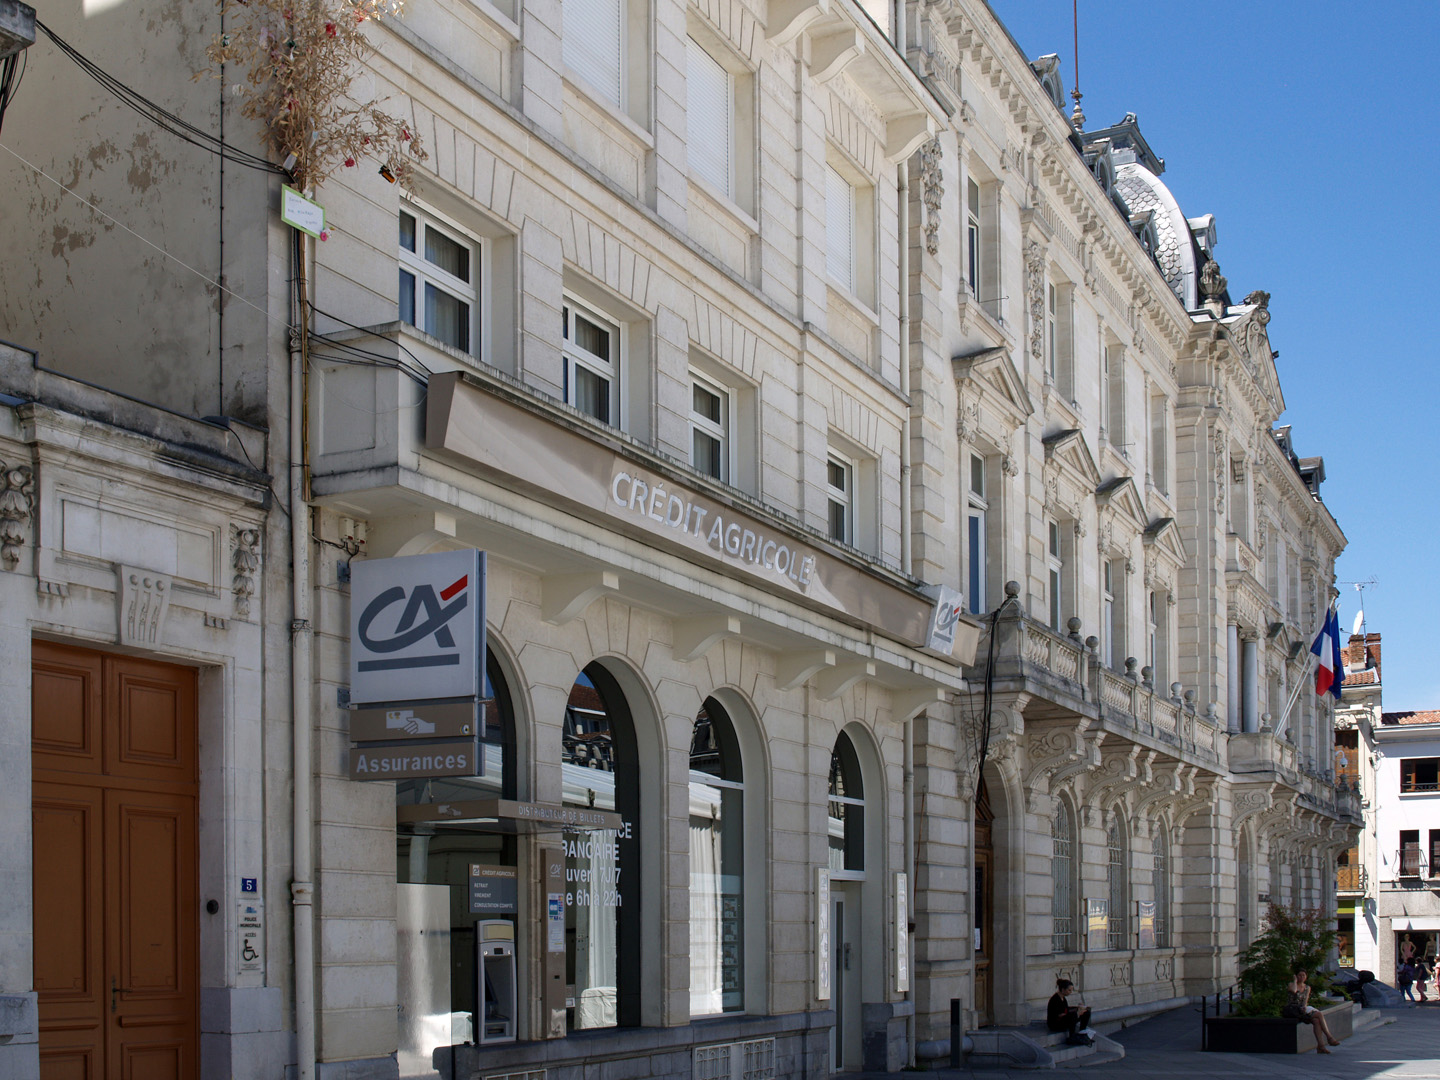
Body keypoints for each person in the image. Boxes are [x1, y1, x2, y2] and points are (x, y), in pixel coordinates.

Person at [1286, 968, 1340, 1053]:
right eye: (1300, 975)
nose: (1302, 977)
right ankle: (1329, 1037)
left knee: (1316, 1021)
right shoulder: (1291, 985)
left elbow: (1305, 1001)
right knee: (1318, 1014)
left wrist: (1304, 1007)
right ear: (1296, 976)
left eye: (1304, 975)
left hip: (1301, 1009)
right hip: (1293, 1009)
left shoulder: (1307, 987)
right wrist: (1295, 981)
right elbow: (1294, 991)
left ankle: (1321, 1046)